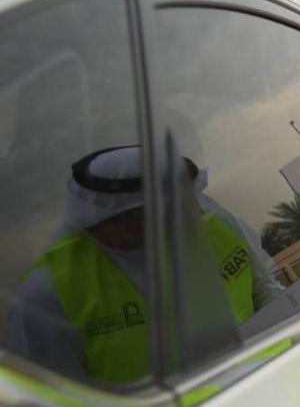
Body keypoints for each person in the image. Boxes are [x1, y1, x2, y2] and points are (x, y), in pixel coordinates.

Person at [6, 146, 281, 383]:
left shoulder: (218, 226)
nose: (191, 215)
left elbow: (271, 294)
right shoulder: (48, 293)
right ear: (114, 221)